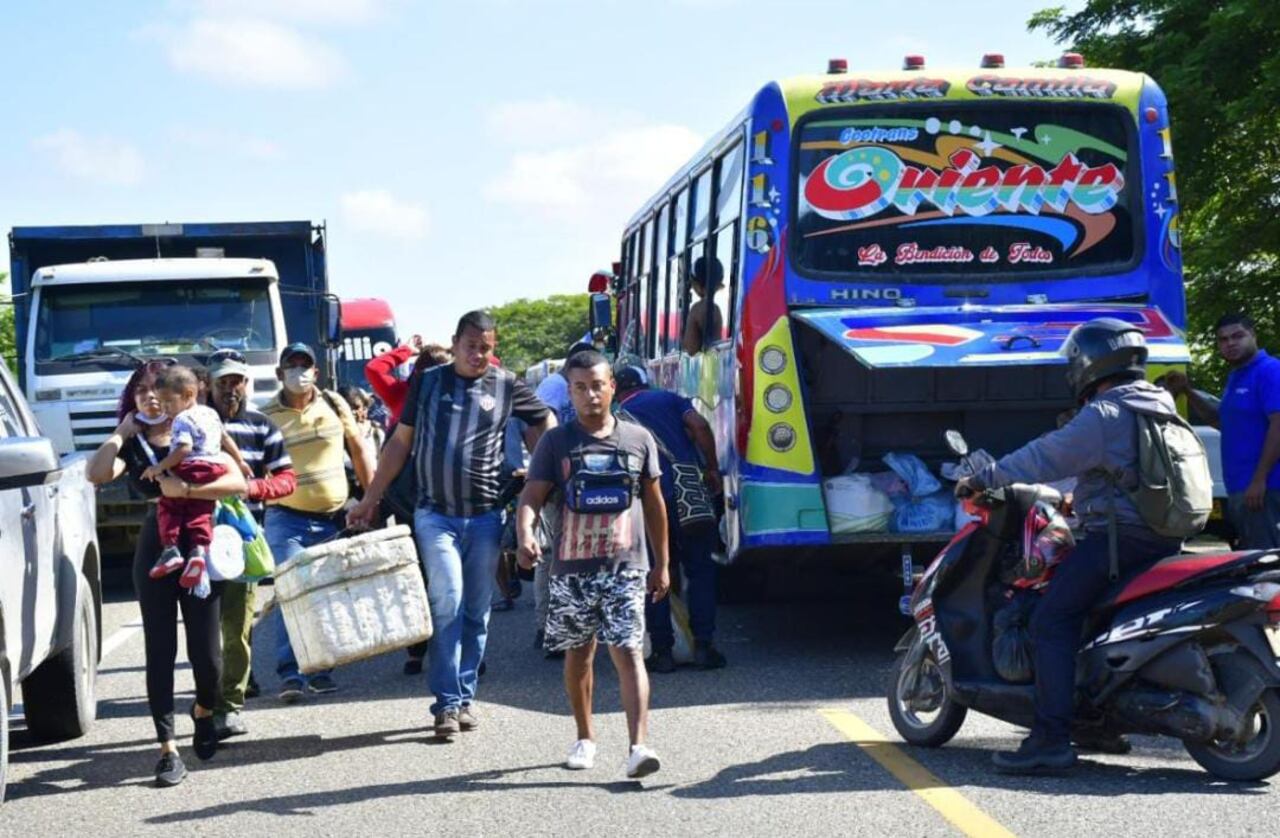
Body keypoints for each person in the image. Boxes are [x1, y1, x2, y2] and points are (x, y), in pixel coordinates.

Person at [955, 318, 1185, 774]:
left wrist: (984, 477)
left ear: (1090, 363)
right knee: (1092, 620)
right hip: (1162, 536)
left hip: (1118, 540)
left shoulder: (1106, 413)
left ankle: (1051, 739)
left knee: (1050, 621)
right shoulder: (1159, 404)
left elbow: (1046, 454)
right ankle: (1100, 723)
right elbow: (1121, 472)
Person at [347, 310, 554, 740]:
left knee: (476, 612)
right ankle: (444, 703)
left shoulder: (506, 384)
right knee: (448, 602)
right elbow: (401, 443)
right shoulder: (429, 381)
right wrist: (370, 498)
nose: (478, 354)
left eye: (486, 347)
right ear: (456, 343)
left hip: (484, 515)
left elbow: (543, 421)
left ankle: (464, 697)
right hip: (434, 514)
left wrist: (543, 469)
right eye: (471, 345)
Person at [87, 360, 248, 786]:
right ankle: (167, 747)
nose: (149, 395)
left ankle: (203, 711)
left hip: (199, 546)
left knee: (208, 658)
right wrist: (122, 432)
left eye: (156, 387)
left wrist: (188, 490)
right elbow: (96, 474)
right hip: (155, 548)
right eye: (140, 390)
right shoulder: (135, 445)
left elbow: (237, 482)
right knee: (159, 650)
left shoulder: (199, 428)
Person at [515, 350, 669, 777]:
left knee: (629, 650)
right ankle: (585, 737)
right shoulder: (556, 442)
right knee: (579, 655)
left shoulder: (638, 439)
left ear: (612, 386)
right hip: (571, 569)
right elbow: (531, 496)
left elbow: (655, 506)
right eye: (580, 388)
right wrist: (525, 534)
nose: (590, 395)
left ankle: (639, 746)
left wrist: (662, 564)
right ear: (569, 392)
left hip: (626, 566)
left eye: (597, 385)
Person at [262, 342, 377, 702]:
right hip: (285, 518)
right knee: (291, 592)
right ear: (280, 374)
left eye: (305, 365)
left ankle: (321, 670)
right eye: (291, 365)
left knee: (326, 593)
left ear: (316, 371)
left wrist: (372, 499)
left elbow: (357, 449)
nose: (299, 371)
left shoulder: (334, 403)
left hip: (331, 519)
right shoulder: (266, 414)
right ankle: (290, 672)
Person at [206, 349, 298, 740]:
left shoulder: (262, 426)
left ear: (247, 383)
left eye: (237, 381)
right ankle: (206, 700)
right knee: (203, 630)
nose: (231, 389)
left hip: (240, 543)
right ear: (208, 384)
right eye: (223, 381)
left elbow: (287, 478)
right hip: (195, 540)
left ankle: (229, 705)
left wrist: (253, 488)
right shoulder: (192, 425)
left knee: (237, 627)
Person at [614, 364, 726, 672]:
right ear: (644, 383)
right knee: (700, 568)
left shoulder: (616, 417)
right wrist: (712, 467)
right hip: (685, 495)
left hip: (646, 504)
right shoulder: (668, 399)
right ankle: (704, 647)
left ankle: (662, 652)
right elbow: (700, 426)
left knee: (654, 573)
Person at [365, 341, 453, 676]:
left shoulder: (440, 395)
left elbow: (375, 369)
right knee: (424, 575)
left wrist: (413, 351)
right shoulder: (407, 396)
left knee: (432, 576)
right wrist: (407, 349)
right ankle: (422, 647)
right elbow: (373, 369)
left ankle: (436, 649)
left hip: (434, 499)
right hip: (414, 498)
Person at [1163, 313, 1280, 548]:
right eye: (1223, 339)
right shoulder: (1236, 377)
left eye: (1238, 336)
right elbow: (1220, 422)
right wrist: (1187, 391)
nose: (1231, 343)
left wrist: (1259, 480)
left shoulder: (1270, 371)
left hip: (1267, 488)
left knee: (1269, 564)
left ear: (1253, 335)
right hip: (1240, 488)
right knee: (1254, 560)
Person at [140, 365, 252, 591]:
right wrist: (240, 461)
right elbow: (225, 438)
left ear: (189, 395)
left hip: (192, 467)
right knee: (201, 511)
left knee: (169, 505)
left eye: (168, 402)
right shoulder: (210, 413)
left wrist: (159, 467)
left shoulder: (182, 419)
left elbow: (183, 449)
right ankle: (198, 552)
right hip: (214, 468)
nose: (164, 409)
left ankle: (171, 549)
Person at [530, 341, 596, 655]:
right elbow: (541, 427)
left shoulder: (577, 386)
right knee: (555, 555)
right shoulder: (554, 386)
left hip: (584, 483)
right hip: (558, 483)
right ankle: (548, 627)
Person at [364, 335, 452, 426]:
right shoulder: (456, 399)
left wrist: (407, 350)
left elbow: (373, 369)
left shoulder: (401, 394)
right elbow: (374, 369)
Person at [681, 256, 724, 356]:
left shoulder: (698, 309)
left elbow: (690, 350)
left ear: (698, 285)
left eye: (692, 284)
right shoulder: (716, 309)